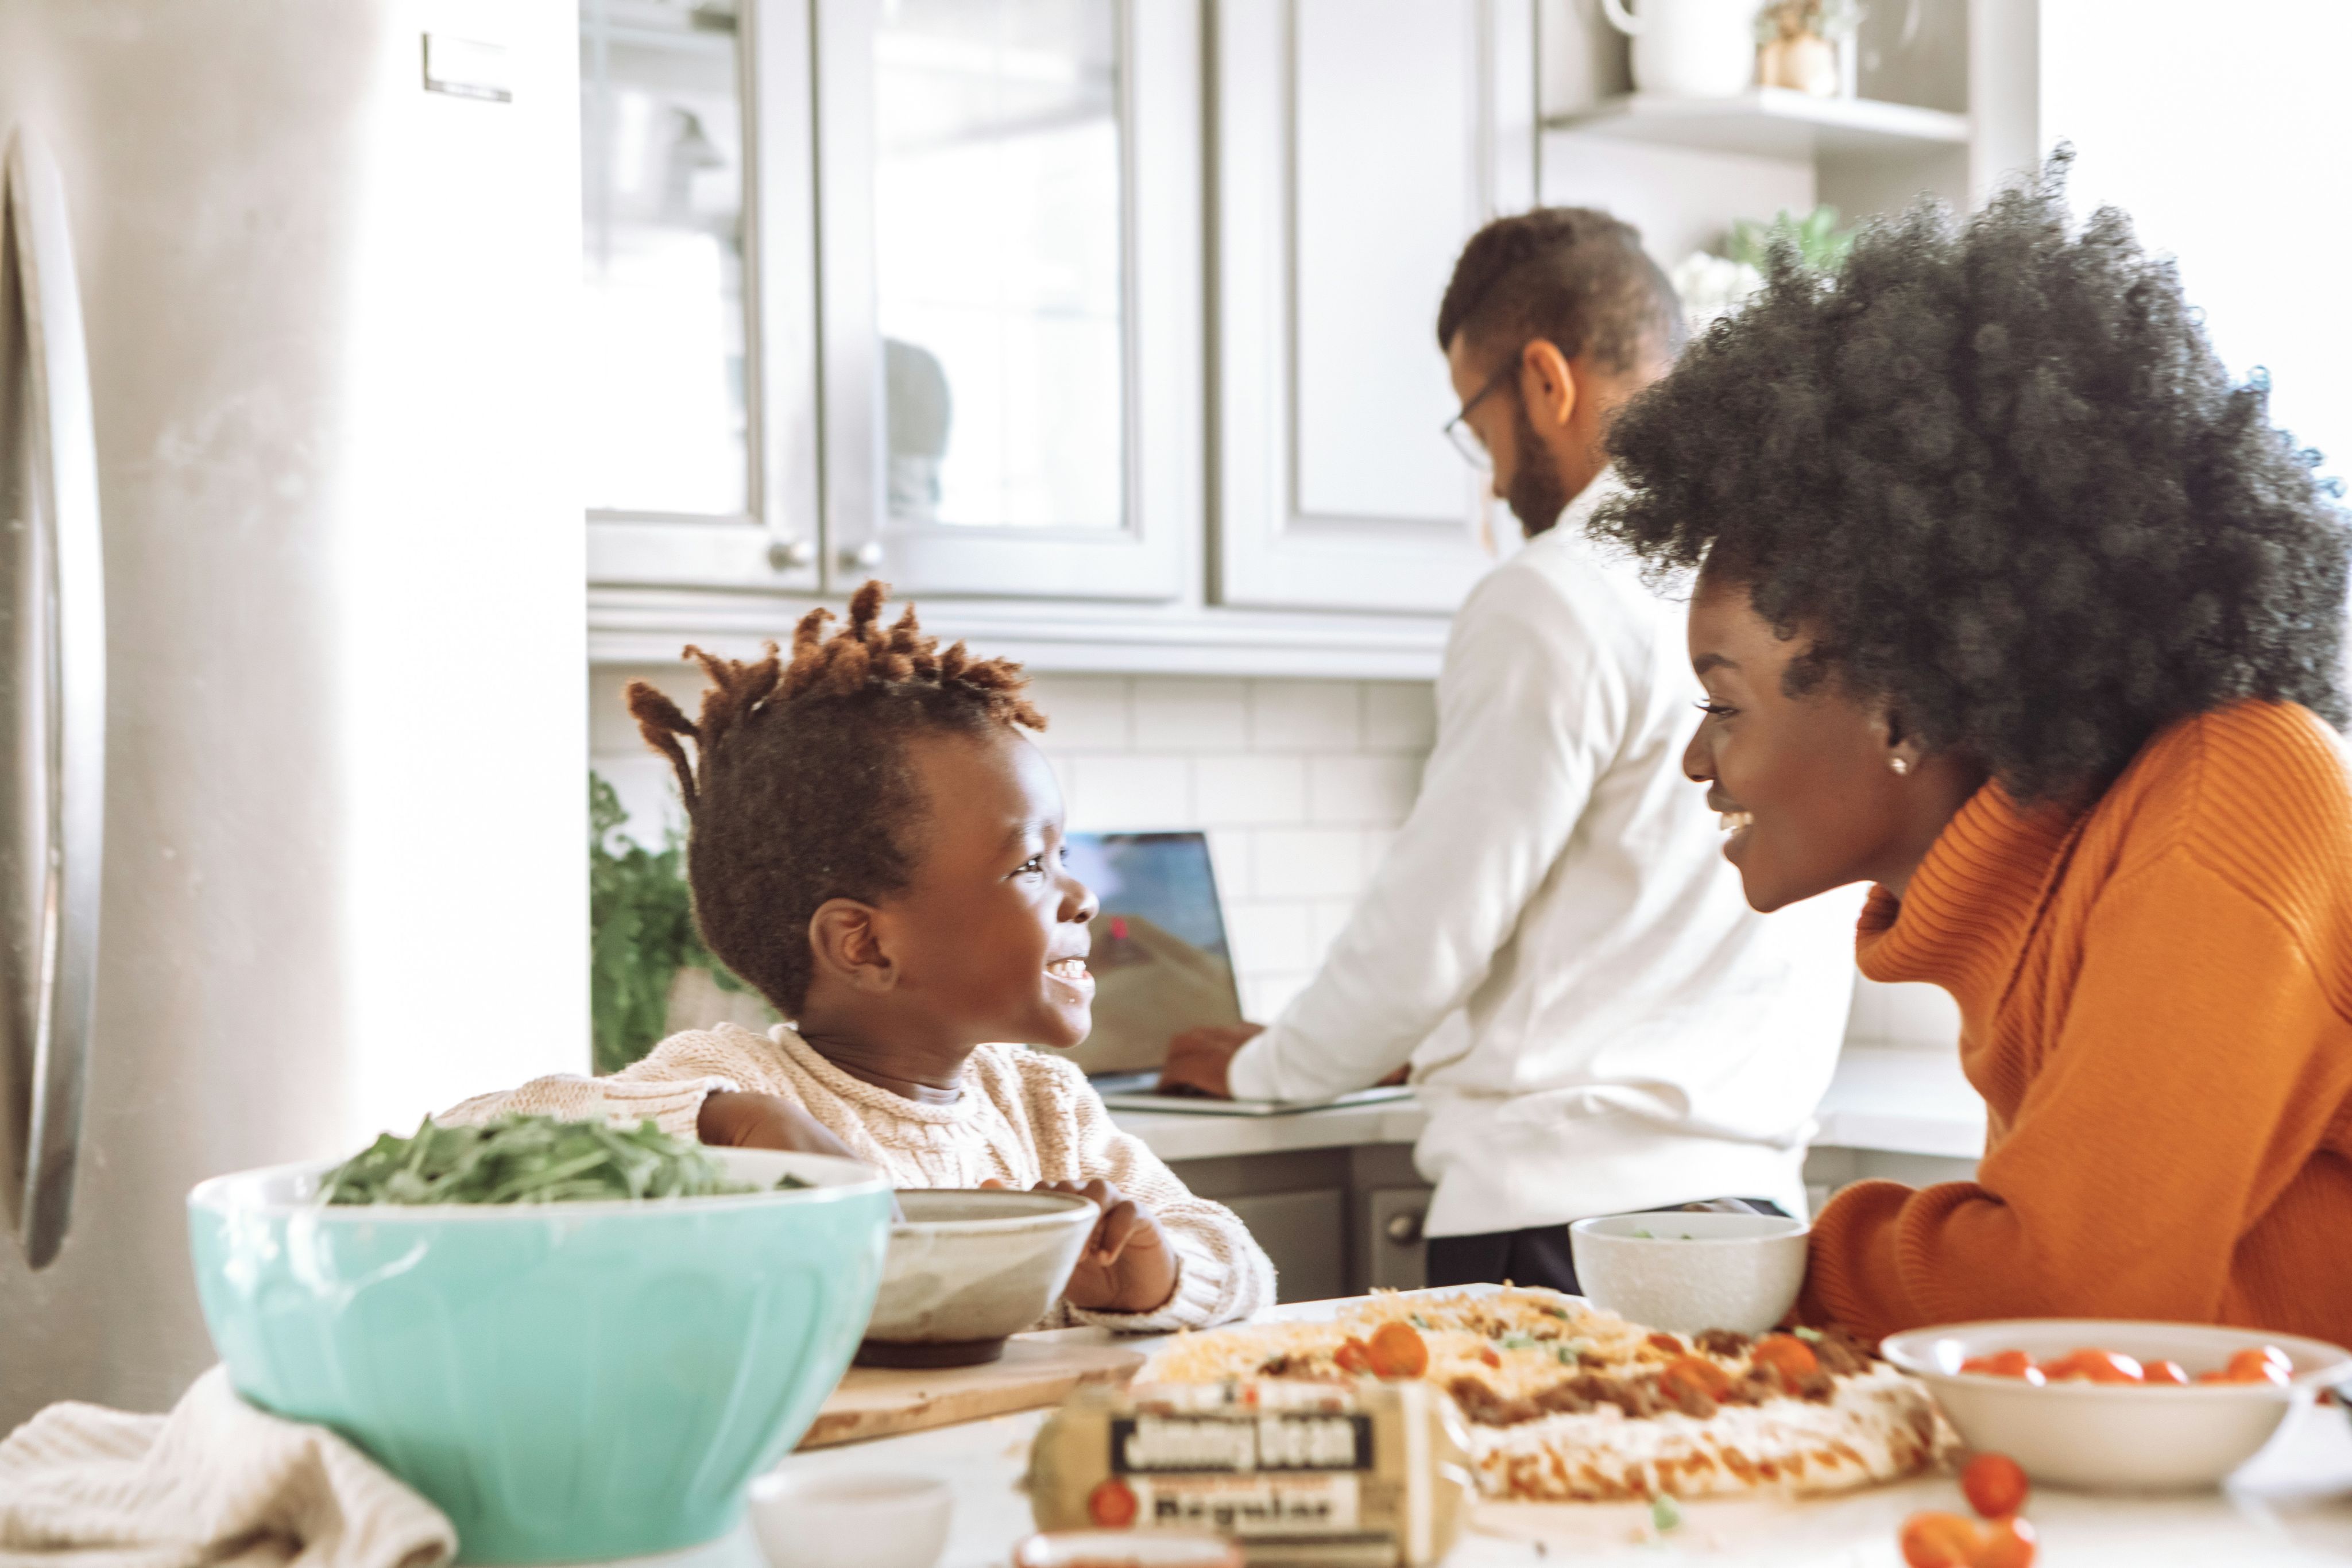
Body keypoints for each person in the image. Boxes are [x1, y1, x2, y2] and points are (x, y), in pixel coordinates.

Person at [1587, 164, 2352, 1345]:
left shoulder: (2233, 789)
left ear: (1900, 710)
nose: (1697, 762)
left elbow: (2066, 1296)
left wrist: (1780, 1263)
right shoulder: (2044, 889)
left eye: (1721, 704)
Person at [1158, 208, 1863, 1293]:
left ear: (1547, 380)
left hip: (1559, 1229)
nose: (1489, 479)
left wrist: (1270, 1066)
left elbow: (1431, 930)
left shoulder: (1552, 595)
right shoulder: (1777, 576)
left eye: (1476, 424)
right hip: (1754, 1228)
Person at [446, 584, 1275, 1332]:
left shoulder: (1041, 1108)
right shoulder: (742, 1083)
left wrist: (1151, 1275)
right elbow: (463, 1141)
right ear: (866, 944)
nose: (1083, 896)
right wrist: (725, 1127)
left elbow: (1241, 1264)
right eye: (1032, 865)